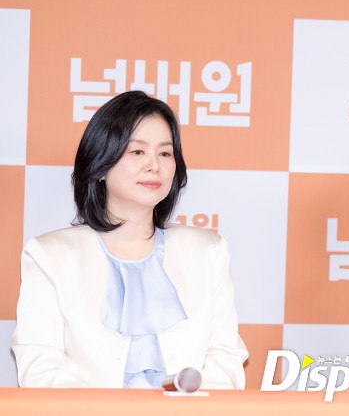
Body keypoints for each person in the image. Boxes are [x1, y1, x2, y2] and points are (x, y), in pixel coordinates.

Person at [12, 91, 248, 389]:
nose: (154, 165)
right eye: (137, 152)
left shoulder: (208, 252)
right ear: (100, 163)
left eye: (165, 153)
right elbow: (40, 371)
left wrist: (186, 407)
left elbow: (224, 360)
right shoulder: (49, 256)